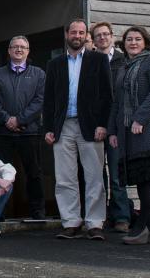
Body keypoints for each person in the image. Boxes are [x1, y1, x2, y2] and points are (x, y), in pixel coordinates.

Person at [43, 19, 112, 240]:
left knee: (94, 177)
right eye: (74, 32)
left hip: (91, 126)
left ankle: (94, 223)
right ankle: (71, 222)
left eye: (82, 32)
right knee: (65, 178)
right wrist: (49, 127)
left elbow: (106, 96)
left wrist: (103, 124)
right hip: (63, 126)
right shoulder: (55, 63)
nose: (77, 35)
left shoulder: (99, 60)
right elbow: (49, 99)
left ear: (86, 36)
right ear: (66, 35)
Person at [109, 26, 150, 245]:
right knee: (140, 177)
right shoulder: (123, 68)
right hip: (127, 131)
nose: (133, 42)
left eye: (138, 39)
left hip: (148, 128)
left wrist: (140, 118)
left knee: (147, 176)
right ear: (123, 43)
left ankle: (141, 228)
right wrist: (113, 131)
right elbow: (117, 102)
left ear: (145, 42)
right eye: (129, 39)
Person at [0, 35, 46, 219]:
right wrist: (7, 120)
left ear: (28, 51)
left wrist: (20, 120)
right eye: (15, 46)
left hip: (29, 132)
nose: (19, 49)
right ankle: (0, 213)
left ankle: (37, 212)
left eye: (23, 47)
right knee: (1, 173)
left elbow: (40, 101)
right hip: (2, 133)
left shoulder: (38, 74)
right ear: (9, 50)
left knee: (34, 173)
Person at [91, 21, 129, 232]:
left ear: (112, 36)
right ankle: (101, 216)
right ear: (94, 40)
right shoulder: (91, 61)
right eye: (98, 35)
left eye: (106, 34)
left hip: (116, 126)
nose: (103, 38)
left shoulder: (123, 61)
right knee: (97, 175)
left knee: (116, 173)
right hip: (96, 125)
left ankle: (122, 215)